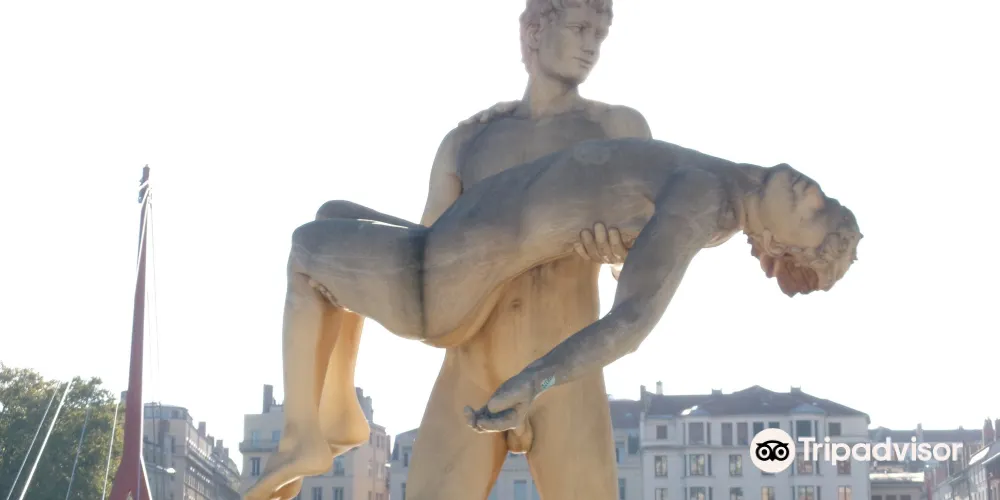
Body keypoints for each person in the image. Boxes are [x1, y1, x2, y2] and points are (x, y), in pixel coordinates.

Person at [245, 137, 862, 500]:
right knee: (334, 214)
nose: (813, 194)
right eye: (825, 200)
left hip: (450, 280)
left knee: (306, 252)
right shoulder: (717, 177)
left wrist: (533, 380)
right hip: (447, 245)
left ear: (778, 248)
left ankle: (303, 436)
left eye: (815, 216)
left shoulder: (705, 199)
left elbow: (632, 321)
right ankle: (338, 416)